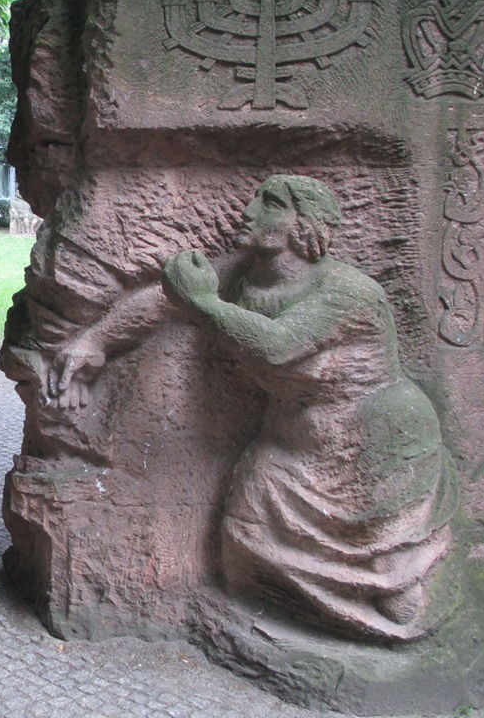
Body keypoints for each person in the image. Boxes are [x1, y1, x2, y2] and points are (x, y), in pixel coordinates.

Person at [162, 175, 457, 641]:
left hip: (375, 444)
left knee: (391, 585)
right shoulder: (246, 279)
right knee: (243, 538)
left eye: (270, 203)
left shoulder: (348, 291)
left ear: (304, 225)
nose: (248, 210)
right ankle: (283, 616)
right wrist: (93, 341)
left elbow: (278, 346)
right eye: (254, 199)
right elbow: (165, 300)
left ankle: (374, 595)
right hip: (294, 439)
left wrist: (202, 302)